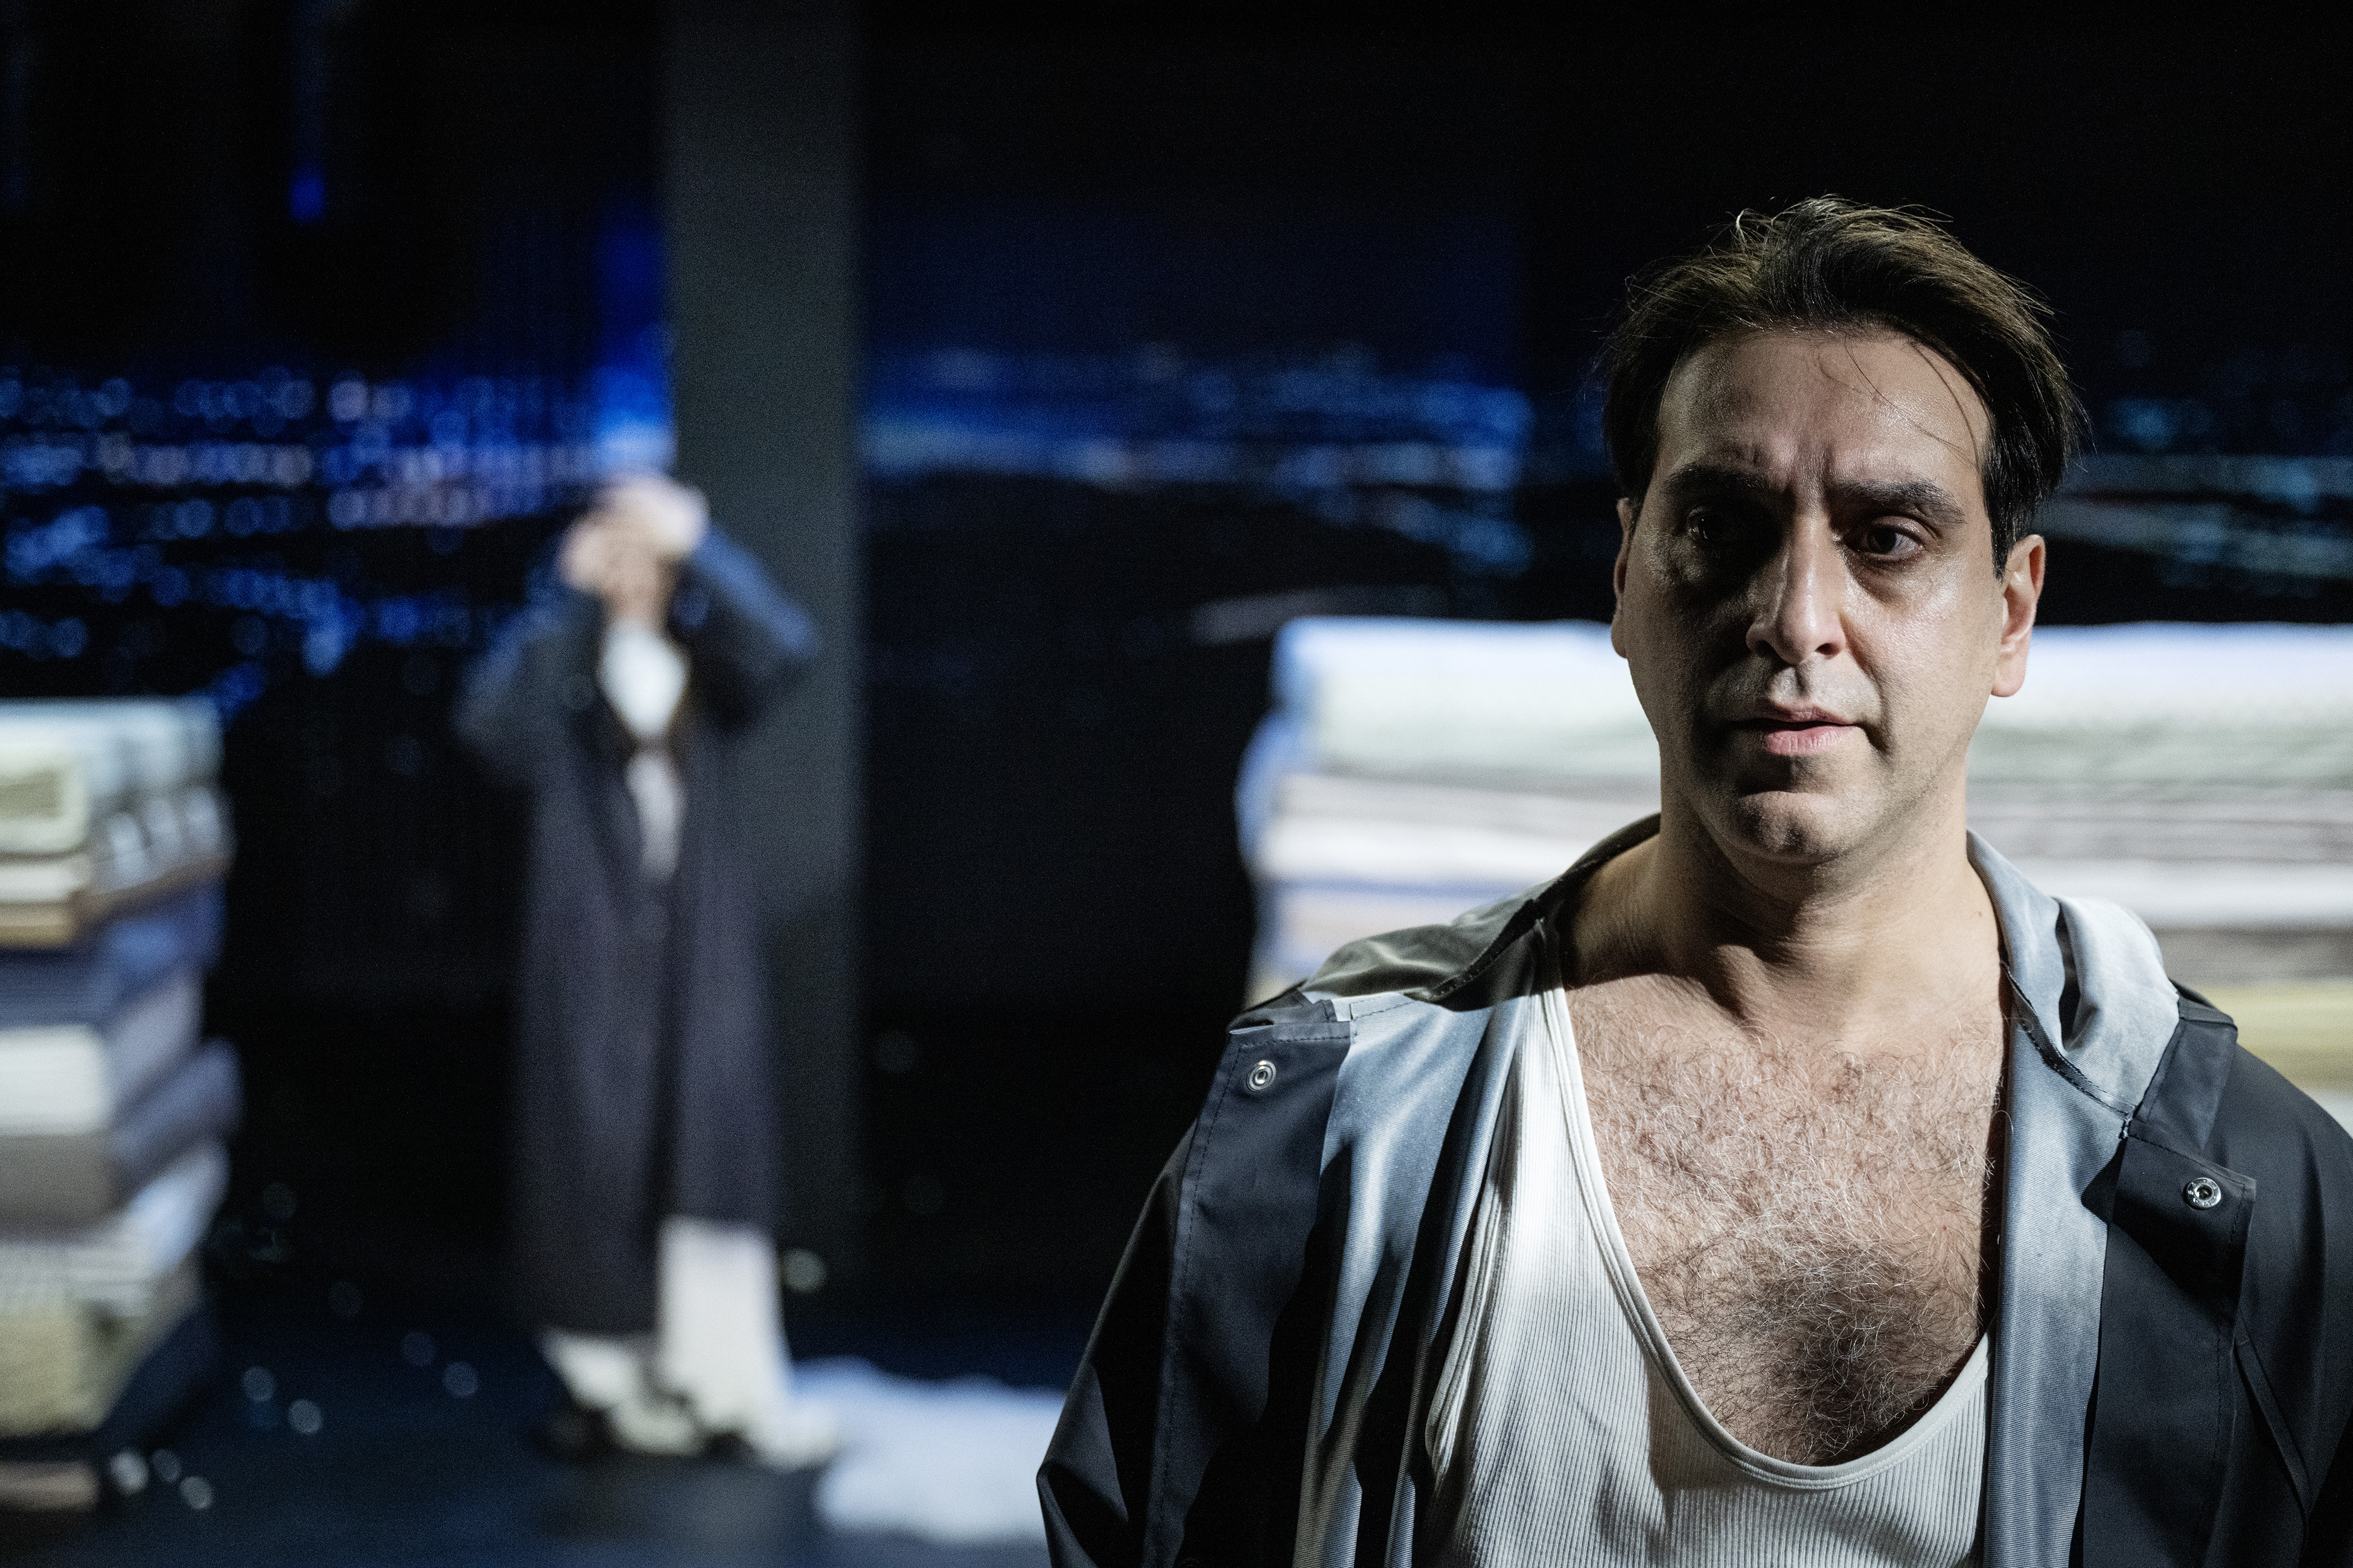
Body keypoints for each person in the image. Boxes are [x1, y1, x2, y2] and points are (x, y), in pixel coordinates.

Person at [1039, 200, 2353, 1564]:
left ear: (2008, 614)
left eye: (1886, 538)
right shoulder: (1326, 1130)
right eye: (1722, 525)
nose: (1794, 617)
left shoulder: (2255, 1198)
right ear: (1626, 577)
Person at [458, 472, 836, 1467]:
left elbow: (786, 646)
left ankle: (723, 1384)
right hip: (588, 947)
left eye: (648, 554)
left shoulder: (705, 662)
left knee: (709, 1155)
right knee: (588, 1157)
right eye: (614, 551)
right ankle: (605, 1382)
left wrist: (699, 541)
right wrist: (567, 596)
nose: (633, 572)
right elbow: (490, 727)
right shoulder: (562, 665)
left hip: (698, 946)